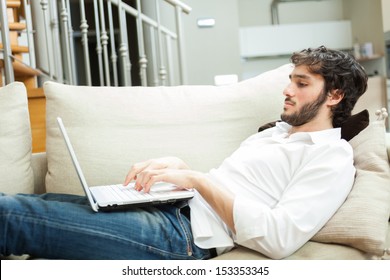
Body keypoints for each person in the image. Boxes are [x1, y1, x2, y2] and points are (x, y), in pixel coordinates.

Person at [0, 46, 368, 260]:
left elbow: (279, 238)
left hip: (180, 237)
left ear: (334, 96)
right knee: (24, 204)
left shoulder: (331, 158)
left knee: (12, 216)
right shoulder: (276, 133)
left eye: (300, 83)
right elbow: (231, 189)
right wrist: (181, 170)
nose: (287, 90)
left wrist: (195, 179)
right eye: (290, 79)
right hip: (167, 208)